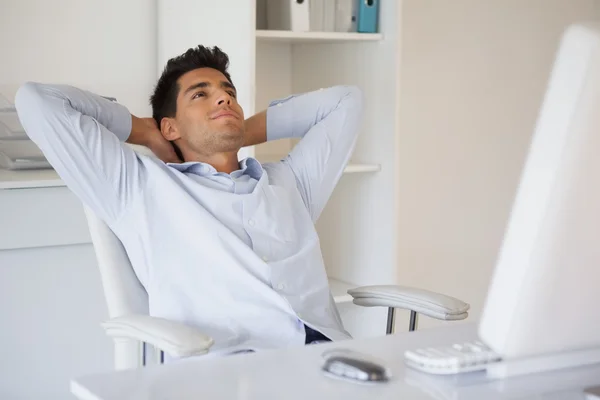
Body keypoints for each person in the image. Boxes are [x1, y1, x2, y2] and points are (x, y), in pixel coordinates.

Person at [15, 45, 364, 355]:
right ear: (170, 127)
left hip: (332, 357)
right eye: (201, 94)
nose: (225, 98)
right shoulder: (139, 186)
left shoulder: (291, 181)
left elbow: (347, 101)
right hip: (236, 371)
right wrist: (144, 130)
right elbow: (36, 100)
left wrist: (236, 130)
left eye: (229, 93)